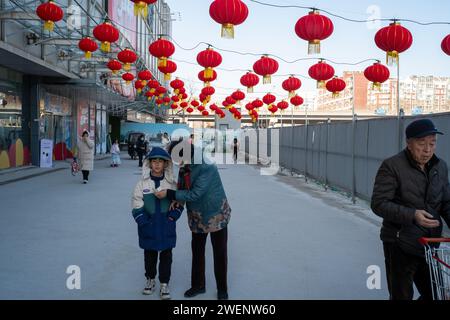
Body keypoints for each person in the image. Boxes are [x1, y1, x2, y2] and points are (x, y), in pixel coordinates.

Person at [371, 118, 450, 300]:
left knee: (435, 294)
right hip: (399, 244)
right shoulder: (392, 166)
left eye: (432, 143)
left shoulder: (441, 166)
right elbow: (379, 203)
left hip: (430, 246)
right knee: (401, 296)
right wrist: (412, 215)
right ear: (409, 143)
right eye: (421, 143)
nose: (427, 149)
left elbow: (446, 203)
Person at [155, 141, 231, 300]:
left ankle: (222, 289)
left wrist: (170, 194)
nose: (177, 164)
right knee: (197, 251)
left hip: (215, 214)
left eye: (178, 159)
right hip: (197, 215)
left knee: (220, 253)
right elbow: (183, 188)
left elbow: (195, 194)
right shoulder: (186, 164)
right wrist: (177, 201)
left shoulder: (206, 166)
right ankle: (198, 285)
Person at [131, 147, 183, 300]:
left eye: (161, 161)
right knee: (150, 256)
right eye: (154, 161)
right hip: (148, 228)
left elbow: (179, 201)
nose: (157, 164)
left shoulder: (171, 184)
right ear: (149, 163)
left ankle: (164, 283)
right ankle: (150, 279)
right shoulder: (142, 184)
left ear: (166, 164)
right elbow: (136, 201)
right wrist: (143, 222)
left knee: (166, 256)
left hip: (167, 226)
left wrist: (173, 216)